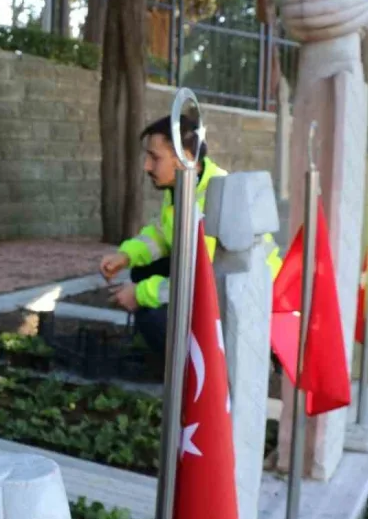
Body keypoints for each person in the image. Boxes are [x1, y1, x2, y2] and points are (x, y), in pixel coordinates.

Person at [99, 114, 283, 355]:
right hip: (219, 286)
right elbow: (163, 235)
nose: (146, 166)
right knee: (141, 272)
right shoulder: (184, 185)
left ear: (184, 158)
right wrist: (126, 255)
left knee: (154, 318)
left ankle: (198, 373)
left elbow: (197, 282)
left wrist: (140, 294)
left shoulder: (215, 200)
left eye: (154, 157)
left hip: (251, 304)